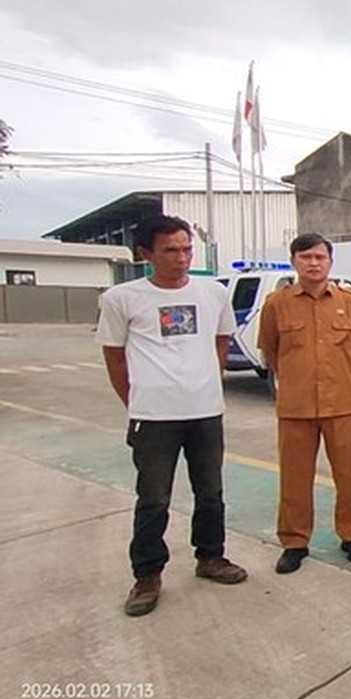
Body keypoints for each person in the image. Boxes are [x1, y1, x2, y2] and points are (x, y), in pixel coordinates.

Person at [97, 214, 247, 617]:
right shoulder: (122, 299)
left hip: (205, 413)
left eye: (186, 249)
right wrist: (136, 399)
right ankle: (147, 575)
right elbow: (113, 355)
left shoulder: (212, 293)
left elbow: (221, 340)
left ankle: (211, 557)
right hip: (153, 418)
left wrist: (206, 383)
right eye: (170, 250)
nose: (181, 258)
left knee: (211, 492)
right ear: (146, 254)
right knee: (153, 498)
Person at [258, 233, 351, 574]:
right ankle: (294, 542)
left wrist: (336, 375)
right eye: (305, 257)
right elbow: (272, 352)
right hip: (296, 406)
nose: (313, 263)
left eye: (319, 257)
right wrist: (299, 378)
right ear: (294, 261)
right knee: (295, 478)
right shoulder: (277, 303)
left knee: (350, 474)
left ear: (330, 262)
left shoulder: (350, 301)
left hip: (341, 403)